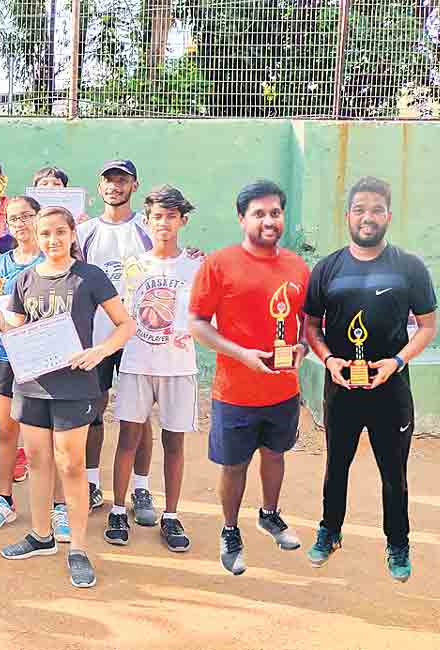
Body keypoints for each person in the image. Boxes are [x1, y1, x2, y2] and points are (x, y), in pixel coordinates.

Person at [0, 205, 135, 589]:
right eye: (44, 233)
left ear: (72, 234)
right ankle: (41, 535)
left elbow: (125, 324)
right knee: (39, 462)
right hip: (30, 384)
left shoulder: (89, 277)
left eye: (59, 232)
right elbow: (16, 329)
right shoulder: (24, 280)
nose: (52, 240)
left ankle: (77, 548)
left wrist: (100, 352)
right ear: (35, 235)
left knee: (72, 465)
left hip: (74, 385)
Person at [303, 177, 436, 582]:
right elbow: (311, 325)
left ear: (388, 216)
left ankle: (398, 542)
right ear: (348, 216)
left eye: (376, 210)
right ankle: (330, 530)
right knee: (336, 465)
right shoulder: (328, 268)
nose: (367, 217)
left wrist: (395, 362)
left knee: (393, 471)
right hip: (342, 388)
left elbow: (428, 326)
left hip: (390, 389)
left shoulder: (409, 267)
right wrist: (329, 361)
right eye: (359, 209)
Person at [188, 179, 308, 576]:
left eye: (275, 212)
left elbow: (306, 321)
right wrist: (241, 354)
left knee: (275, 455)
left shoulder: (296, 265)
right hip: (235, 392)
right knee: (234, 465)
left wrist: (304, 346)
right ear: (242, 218)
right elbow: (197, 324)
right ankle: (230, 530)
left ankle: (270, 515)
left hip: (283, 390)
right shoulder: (219, 264)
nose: (269, 220)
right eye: (259, 213)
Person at [107, 185, 200, 552]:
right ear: (147, 221)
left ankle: (172, 515)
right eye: (157, 217)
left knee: (174, 441)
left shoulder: (196, 264)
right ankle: (117, 508)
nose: (164, 223)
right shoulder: (135, 266)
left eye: (171, 217)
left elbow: (203, 315)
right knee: (129, 437)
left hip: (179, 366)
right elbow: (123, 315)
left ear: (183, 221)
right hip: (137, 362)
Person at [0, 196, 70, 542]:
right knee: (6, 431)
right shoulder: (0, 265)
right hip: (5, 357)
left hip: (45, 360)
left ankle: (59, 507)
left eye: (25, 217)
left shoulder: (54, 262)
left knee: (52, 438)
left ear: (37, 219)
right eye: (12, 218)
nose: (19, 224)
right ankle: (4, 500)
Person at [76, 159, 155, 521]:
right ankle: (91, 483)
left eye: (121, 180)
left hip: (139, 335)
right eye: (109, 180)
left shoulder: (147, 229)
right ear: (99, 185)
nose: (114, 186)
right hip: (97, 337)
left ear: (134, 186)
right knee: (94, 409)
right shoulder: (85, 231)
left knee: (138, 415)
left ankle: (141, 487)